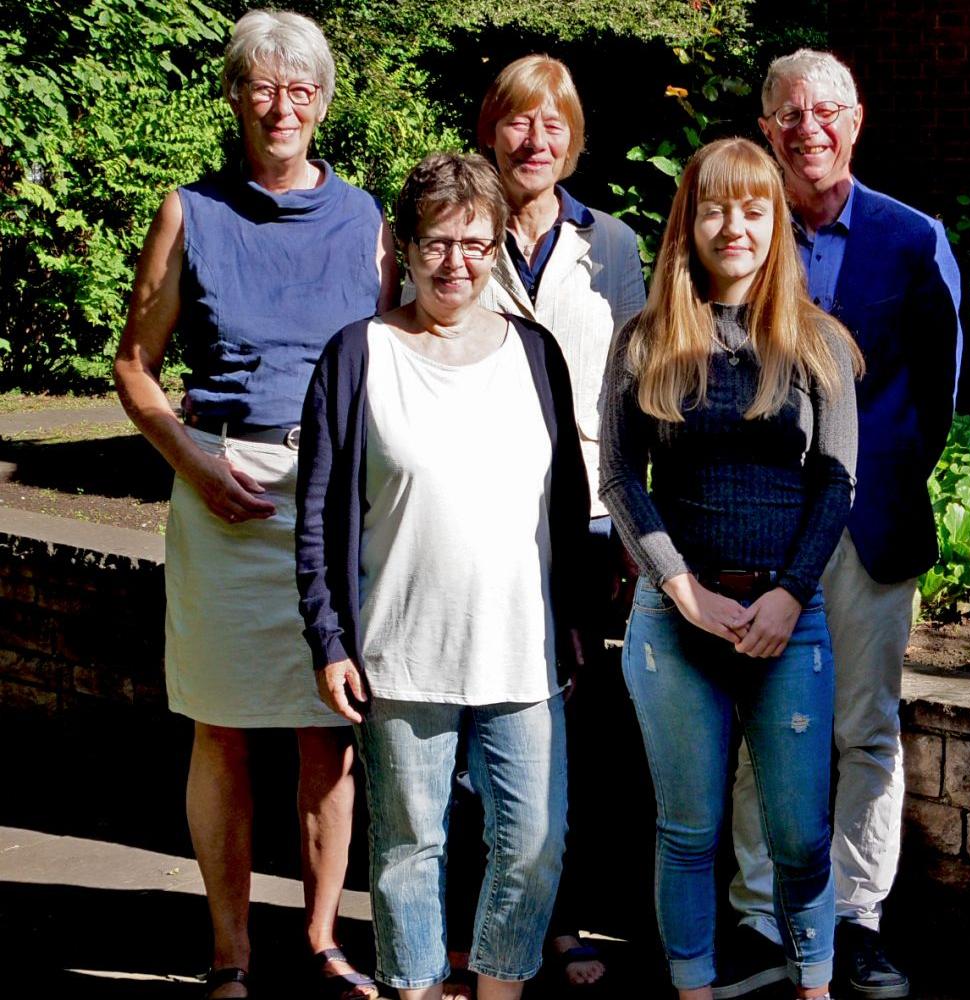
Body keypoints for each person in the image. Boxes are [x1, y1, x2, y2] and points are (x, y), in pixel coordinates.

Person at [109, 10, 393, 999]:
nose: (282, 106)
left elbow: (395, 361)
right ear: (235, 96)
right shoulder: (189, 211)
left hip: (334, 499)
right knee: (221, 726)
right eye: (263, 87)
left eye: (301, 88)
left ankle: (319, 939)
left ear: (322, 103)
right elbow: (134, 368)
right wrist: (190, 459)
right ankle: (230, 951)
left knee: (331, 726)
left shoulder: (366, 220)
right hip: (222, 493)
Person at [296, 151, 589, 1000]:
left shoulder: (535, 355)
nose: (456, 262)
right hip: (401, 652)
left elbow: (563, 505)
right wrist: (329, 638)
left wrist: (571, 612)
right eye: (436, 243)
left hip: (522, 652)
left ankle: (500, 986)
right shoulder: (358, 356)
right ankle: (416, 991)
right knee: (405, 851)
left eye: (475, 242)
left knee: (535, 842)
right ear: (406, 247)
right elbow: (317, 517)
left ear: (497, 246)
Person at [720, 48, 961, 1000]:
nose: (808, 127)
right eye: (788, 113)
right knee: (760, 724)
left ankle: (856, 918)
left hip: (866, 534)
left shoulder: (913, 239)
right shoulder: (742, 232)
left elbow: (934, 398)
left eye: (827, 111)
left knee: (865, 731)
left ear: (856, 121)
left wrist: (862, 486)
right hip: (760, 536)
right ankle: (754, 914)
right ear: (767, 126)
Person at [599, 136, 860, 1000]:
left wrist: (789, 594)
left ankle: (815, 987)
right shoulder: (645, 340)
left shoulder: (817, 342)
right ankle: (695, 991)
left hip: (789, 622)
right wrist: (681, 589)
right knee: (688, 831)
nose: (733, 225)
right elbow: (619, 479)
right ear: (689, 221)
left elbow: (836, 480)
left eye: (753, 209)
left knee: (801, 835)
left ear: (776, 222)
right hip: (676, 626)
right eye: (715, 207)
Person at [473, 52, 648, 991]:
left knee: (566, 728)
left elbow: (633, 395)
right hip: (475, 521)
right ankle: (478, 922)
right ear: (490, 129)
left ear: (574, 141)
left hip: (580, 523)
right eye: (517, 121)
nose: (534, 141)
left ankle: (560, 920)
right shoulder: (457, 232)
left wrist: (630, 525)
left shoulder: (611, 247)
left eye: (553, 125)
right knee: (472, 722)